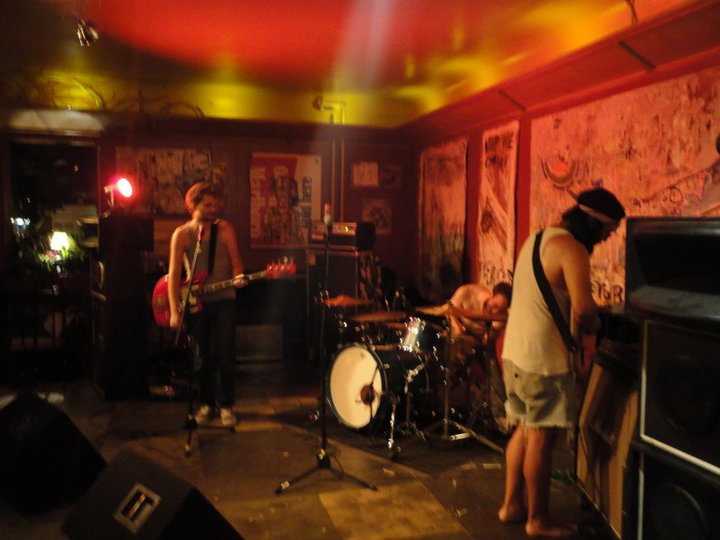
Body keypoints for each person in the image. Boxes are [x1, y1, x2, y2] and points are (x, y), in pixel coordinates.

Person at [498, 187, 625, 537]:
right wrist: (600, 325)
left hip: (515, 354)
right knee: (541, 438)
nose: (606, 238)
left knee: (524, 428)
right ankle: (537, 520)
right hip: (543, 361)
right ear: (593, 223)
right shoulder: (573, 250)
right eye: (607, 231)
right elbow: (584, 311)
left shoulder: (536, 239)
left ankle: (511, 505)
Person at [167, 181, 247, 427]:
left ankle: (227, 405)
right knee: (203, 356)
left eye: (215, 205)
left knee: (225, 353)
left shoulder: (225, 229)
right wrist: (174, 311)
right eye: (207, 205)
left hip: (224, 300)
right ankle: (206, 404)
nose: (213, 209)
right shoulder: (182, 234)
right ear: (193, 205)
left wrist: (239, 276)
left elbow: (236, 262)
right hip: (197, 303)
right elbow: (174, 274)